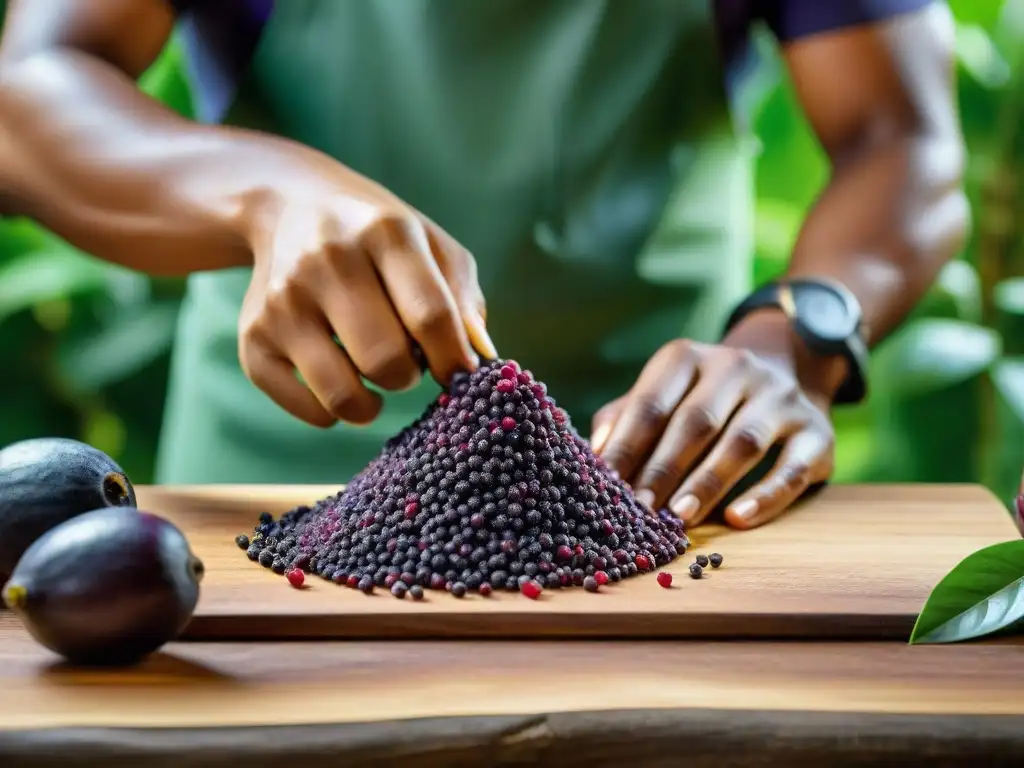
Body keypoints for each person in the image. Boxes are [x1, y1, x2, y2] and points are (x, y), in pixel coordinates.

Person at [0, 0, 965, 530]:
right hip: (268, 489)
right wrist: (259, 193)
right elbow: (32, 92)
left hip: (658, 486)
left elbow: (901, 142)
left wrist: (792, 340)